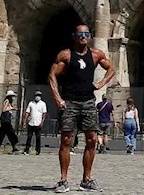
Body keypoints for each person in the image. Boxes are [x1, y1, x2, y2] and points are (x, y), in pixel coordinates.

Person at [48, 22, 116, 192]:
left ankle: (87, 179)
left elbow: (111, 69)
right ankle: (63, 180)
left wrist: (100, 83)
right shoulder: (66, 55)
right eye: (80, 34)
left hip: (88, 102)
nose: (83, 36)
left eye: (86, 33)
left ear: (90, 36)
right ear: (74, 36)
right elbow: (52, 76)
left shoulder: (95, 55)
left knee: (92, 139)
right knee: (66, 140)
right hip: (70, 101)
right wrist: (57, 98)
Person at [0, 90, 20, 154]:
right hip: (5, 120)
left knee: (2, 134)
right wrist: (12, 108)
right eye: (12, 96)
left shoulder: (9, 102)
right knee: (11, 133)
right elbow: (4, 110)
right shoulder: (7, 101)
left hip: (5, 120)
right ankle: (14, 147)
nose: (13, 98)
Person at [24, 91, 48, 155]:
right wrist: (24, 121)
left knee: (38, 137)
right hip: (31, 122)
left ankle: (38, 150)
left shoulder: (43, 104)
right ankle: (26, 150)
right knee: (29, 137)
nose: (38, 97)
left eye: (39, 95)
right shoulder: (31, 103)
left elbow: (44, 114)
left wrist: (42, 122)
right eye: (37, 95)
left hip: (38, 123)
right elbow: (27, 112)